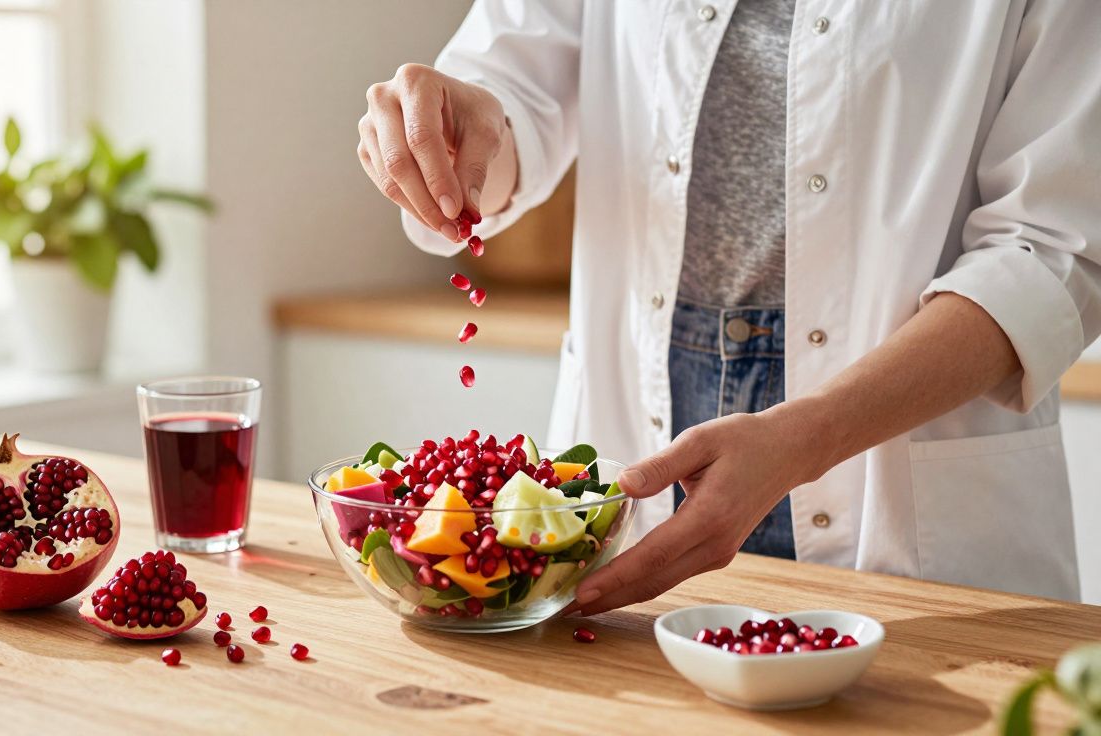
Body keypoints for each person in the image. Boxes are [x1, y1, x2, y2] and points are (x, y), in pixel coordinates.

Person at [356, 0, 1101, 609]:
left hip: (898, 450)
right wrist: (452, 133)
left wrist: (809, 436)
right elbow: (511, 90)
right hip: (643, 430)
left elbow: (1054, 250)